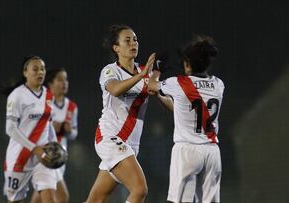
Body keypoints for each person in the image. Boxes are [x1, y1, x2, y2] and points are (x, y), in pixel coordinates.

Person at [148, 36, 224, 203]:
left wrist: (157, 69)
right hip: (212, 152)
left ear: (187, 63)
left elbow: (151, 86)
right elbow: (184, 110)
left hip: (187, 150)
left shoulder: (178, 83)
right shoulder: (219, 84)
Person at [85, 25, 155, 203]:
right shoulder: (110, 71)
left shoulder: (145, 72)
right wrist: (142, 76)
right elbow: (115, 89)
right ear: (116, 48)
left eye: (135, 39)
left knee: (95, 199)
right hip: (110, 137)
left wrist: (160, 90)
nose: (133, 43)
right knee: (140, 190)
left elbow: (164, 100)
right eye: (127, 40)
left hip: (130, 144)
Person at [3, 56, 58, 203]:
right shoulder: (17, 96)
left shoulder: (49, 94)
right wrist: (34, 149)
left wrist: (55, 145)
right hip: (19, 157)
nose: (40, 72)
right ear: (25, 72)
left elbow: (48, 124)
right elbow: (10, 129)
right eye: (35, 69)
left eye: (42, 69)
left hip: (43, 157)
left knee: (50, 199)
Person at [30, 68, 78, 203]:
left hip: (60, 155)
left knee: (41, 195)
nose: (64, 83)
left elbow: (74, 134)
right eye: (60, 80)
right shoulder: (43, 103)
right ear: (50, 84)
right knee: (62, 196)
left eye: (66, 80)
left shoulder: (72, 107)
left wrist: (68, 131)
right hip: (46, 154)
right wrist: (50, 126)